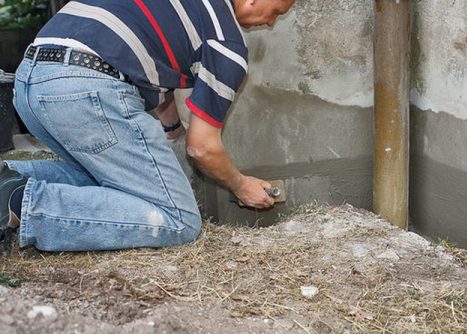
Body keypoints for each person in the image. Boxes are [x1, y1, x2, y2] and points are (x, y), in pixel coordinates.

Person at [0, 0, 295, 252]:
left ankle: (9, 178)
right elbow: (202, 147)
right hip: (84, 84)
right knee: (180, 220)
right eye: (276, 11)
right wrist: (241, 185)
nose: (270, 23)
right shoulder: (224, 40)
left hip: (30, 81)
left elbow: (154, 73)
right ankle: (21, 205)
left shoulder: (186, 11)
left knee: (104, 180)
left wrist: (172, 134)